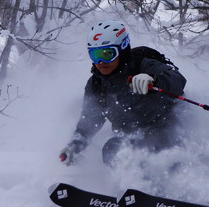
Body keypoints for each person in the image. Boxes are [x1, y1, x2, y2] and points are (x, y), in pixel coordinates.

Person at [60, 20, 187, 166]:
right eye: (95, 55)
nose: (101, 61)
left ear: (122, 50)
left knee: (153, 148)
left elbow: (177, 79)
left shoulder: (143, 65)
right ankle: (127, 186)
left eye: (108, 54)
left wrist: (154, 81)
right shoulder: (97, 84)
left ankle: (164, 185)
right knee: (112, 149)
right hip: (129, 136)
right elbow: (90, 119)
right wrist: (75, 146)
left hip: (167, 129)